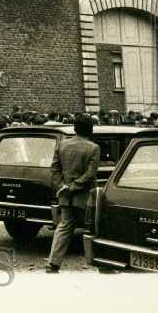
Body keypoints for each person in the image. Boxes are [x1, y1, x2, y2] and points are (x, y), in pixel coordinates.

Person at [47, 114, 101, 273]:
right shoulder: (93, 148)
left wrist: (62, 186)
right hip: (85, 196)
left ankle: (53, 263)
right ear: (90, 129)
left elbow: (54, 169)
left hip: (65, 195)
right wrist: (72, 187)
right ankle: (98, 262)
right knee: (93, 229)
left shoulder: (62, 145)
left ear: (75, 128)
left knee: (64, 226)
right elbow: (90, 174)